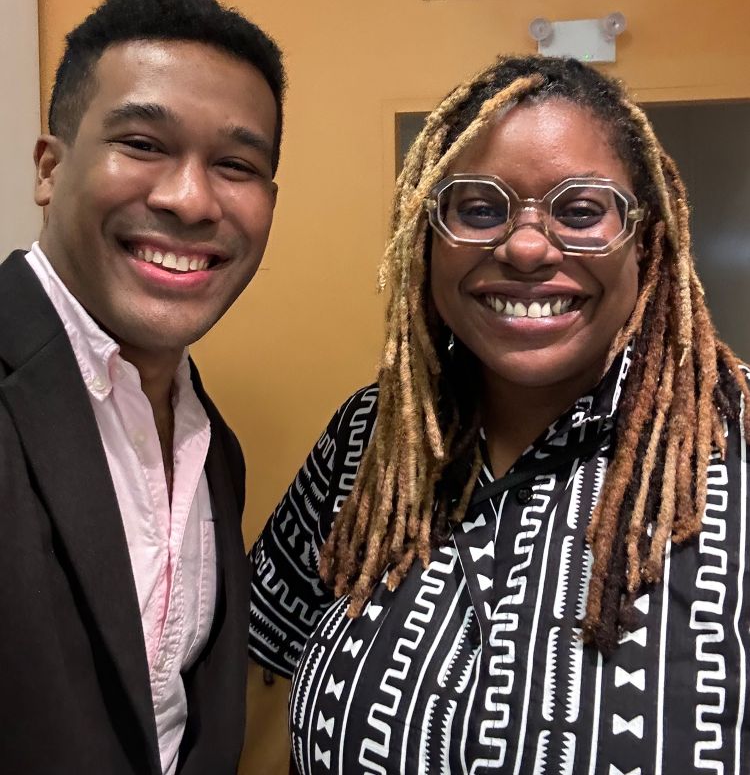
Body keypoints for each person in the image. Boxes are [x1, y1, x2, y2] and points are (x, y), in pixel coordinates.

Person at [249, 55, 750, 774]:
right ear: (427, 238)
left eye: (580, 210)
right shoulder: (368, 441)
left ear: (646, 241)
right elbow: (263, 680)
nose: (523, 247)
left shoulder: (737, 449)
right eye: (478, 208)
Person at [0, 0, 284, 775]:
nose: (191, 200)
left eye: (235, 164)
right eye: (143, 144)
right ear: (51, 169)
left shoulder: (209, 444)